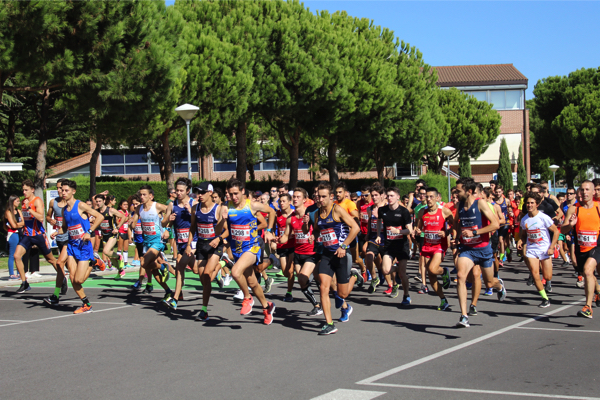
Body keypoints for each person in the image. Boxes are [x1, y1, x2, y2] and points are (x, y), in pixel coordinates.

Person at [44, 180, 104, 312]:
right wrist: (56, 232)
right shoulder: (64, 210)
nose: (63, 192)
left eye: (66, 190)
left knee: (79, 280)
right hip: (72, 245)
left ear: (73, 191)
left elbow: (99, 216)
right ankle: (86, 304)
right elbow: (65, 228)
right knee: (73, 278)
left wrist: (89, 231)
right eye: (62, 190)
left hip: (83, 246)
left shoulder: (81, 205)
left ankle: (94, 262)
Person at [453, 177, 505, 328]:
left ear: (469, 191)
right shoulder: (460, 205)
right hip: (467, 249)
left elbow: (495, 224)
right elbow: (457, 222)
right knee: (461, 276)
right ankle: (464, 315)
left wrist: (475, 232)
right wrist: (456, 237)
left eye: (458, 190)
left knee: (490, 282)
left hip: (483, 249)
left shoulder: (480, 203)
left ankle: (499, 286)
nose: (456, 193)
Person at [223, 179, 277, 325]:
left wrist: (269, 231)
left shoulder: (252, 205)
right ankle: (267, 307)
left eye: (235, 193)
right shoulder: (226, 207)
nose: (233, 197)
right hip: (237, 250)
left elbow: (271, 211)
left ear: (242, 191)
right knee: (253, 282)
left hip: (252, 248)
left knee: (235, 272)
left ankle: (247, 298)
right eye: (230, 194)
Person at [313, 182, 361, 335]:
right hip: (327, 255)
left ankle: (354, 276)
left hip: (341, 255)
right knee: (323, 288)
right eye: (318, 196)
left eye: (323, 196)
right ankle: (329, 324)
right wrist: (316, 238)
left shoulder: (337, 210)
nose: (320, 199)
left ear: (331, 197)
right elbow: (316, 231)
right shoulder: (316, 214)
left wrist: (344, 246)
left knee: (342, 294)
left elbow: (356, 228)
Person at [279, 187, 322, 316]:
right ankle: (317, 305)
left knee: (305, 277)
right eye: (294, 197)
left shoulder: (311, 214)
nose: (296, 199)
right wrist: (278, 240)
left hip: (311, 253)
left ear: (304, 199)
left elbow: (319, 229)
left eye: (298, 197)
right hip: (298, 253)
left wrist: (314, 236)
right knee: (302, 281)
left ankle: (333, 299)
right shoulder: (290, 218)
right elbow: (286, 236)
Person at [13, 180, 60, 294]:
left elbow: (41, 218)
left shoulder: (37, 201)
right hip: (27, 235)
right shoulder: (24, 202)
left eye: (26, 190)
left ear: (32, 190)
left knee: (51, 259)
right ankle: (24, 283)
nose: (24, 192)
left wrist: (30, 209)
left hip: (38, 235)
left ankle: (62, 278)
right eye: (23, 190)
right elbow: (25, 219)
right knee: (16, 256)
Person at [561, 181, 600, 318]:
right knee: (587, 274)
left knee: (588, 271)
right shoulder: (574, 208)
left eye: (587, 189)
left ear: (593, 192)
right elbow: (563, 229)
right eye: (582, 190)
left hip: (597, 245)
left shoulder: (598, 207)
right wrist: (571, 225)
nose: (584, 192)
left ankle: (588, 307)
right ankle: (598, 291)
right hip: (581, 246)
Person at [128, 185, 174, 300]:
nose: (142, 197)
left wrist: (167, 228)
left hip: (158, 240)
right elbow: (134, 224)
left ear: (151, 196)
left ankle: (163, 266)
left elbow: (171, 208)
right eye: (140, 195)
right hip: (146, 241)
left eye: (144, 195)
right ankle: (168, 290)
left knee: (143, 262)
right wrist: (131, 224)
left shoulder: (156, 206)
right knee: (152, 269)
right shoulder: (139, 209)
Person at [414, 187, 454, 311]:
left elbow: (454, 226)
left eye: (431, 197)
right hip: (427, 245)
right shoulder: (422, 212)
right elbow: (418, 226)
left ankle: (444, 271)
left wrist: (446, 232)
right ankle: (443, 299)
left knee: (432, 268)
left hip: (439, 246)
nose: (429, 199)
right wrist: (417, 230)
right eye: (427, 197)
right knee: (431, 276)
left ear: (437, 198)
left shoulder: (445, 211)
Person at [518, 192, 559, 308]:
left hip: (545, 249)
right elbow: (524, 234)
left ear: (537, 204)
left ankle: (547, 281)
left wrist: (552, 247)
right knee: (535, 274)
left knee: (547, 276)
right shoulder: (524, 219)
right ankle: (545, 298)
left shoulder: (543, 217)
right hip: (531, 249)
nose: (529, 205)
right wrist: (521, 241)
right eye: (527, 203)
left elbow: (556, 232)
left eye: (532, 203)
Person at [164, 178, 200, 309]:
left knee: (179, 266)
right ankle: (216, 270)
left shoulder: (194, 203)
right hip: (180, 242)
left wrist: (191, 211)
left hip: (193, 242)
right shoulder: (172, 205)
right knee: (196, 270)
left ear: (188, 191)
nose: (178, 193)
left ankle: (175, 298)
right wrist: (168, 221)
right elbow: (163, 222)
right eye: (176, 190)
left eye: (181, 191)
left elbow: (201, 221)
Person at [376, 187, 414, 305]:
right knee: (385, 270)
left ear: (398, 197)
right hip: (389, 245)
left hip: (402, 245)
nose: (389, 198)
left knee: (402, 275)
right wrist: (378, 234)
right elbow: (378, 221)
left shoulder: (404, 212)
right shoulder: (382, 210)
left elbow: (410, 231)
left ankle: (406, 295)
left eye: (392, 195)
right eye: (388, 196)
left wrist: (399, 232)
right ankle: (398, 269)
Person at [95, 194, 126, 278]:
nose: (98, 203)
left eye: (100, 201)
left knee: (105, 251)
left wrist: (118, 228)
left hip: (112, 234)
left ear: (104, 201)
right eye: (97, 201)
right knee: (110, 256)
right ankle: (121, 270)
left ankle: (119, 256)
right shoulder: (96, 211)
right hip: (104, 235)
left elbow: (123, 217)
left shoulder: (110, 210)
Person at [275, 193, 296, 302]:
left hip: (292, 245)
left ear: (289, 202)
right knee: (285, 272)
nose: (281, 203)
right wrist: (273, 237)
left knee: (291, 271)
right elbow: (273, 229)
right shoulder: (277, 214)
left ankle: (289, 292)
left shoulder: (294, 214)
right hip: (282, 245)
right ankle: (292, 266)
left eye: (284, 201)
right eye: (280, 201)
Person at [3, 195, 24, 280]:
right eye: (17, 201)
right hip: (13, 234)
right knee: (12, 254)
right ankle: (12, 274)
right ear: (12, 202)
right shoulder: (8, 212)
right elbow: (13, 225)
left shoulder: (18, 211)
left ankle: (20, 272)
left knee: (20, 254)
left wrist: (17, 225)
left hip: (19, 233)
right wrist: (17, 225)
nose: (19, 203)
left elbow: (23, 222)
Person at [116, 199, 130, 270]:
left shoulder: (127, 212)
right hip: (120, 231)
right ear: (120, 205)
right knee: (119, 248)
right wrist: (125, 219)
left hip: (126, 231)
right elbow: (117, 222)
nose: (126, 206)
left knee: (126, 248)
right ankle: (118, 262)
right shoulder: (119, 212)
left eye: (127, 204)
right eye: (124, 204)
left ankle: (125, 262)